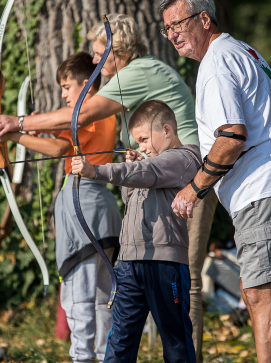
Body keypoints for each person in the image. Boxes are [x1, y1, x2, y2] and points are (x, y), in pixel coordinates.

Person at [0, 13, 215, 361]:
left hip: (189, 173)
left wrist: (16, 123)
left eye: (99, 53)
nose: (94, 61)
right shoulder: (129, 82)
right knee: (137, 290)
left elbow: (79, 116)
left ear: (118, 50)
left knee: (187, 277)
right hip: (161, 176)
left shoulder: (140, 71)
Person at [160, 0, 271, 363]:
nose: (173, 34)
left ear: (205, 19)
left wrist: (192, 190)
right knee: (257, 290)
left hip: (264, 182)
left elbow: (230, 137)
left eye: (179, 23)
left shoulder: (216, 62)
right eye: (167, 29)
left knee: (260, 294)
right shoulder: (239, 49)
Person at [0, 52, 121, 363]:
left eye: (67, 87)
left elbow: (60, 148)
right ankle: (106, 357)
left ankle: (83, 358)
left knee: (80, 296)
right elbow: (68, 139)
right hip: (102, 209)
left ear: (87, 87)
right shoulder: (99, 116)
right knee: (104, 297)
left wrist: (16, 135)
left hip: (83, 206)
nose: (63, 94)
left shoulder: (89, 113)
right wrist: (40, 129)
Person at [72, 100, 200, 363]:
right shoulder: (148, 163)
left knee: (175, 342)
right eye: (137, 142)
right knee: (120, 340)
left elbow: (149, 173)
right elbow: (133, 192)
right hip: (129, 263)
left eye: (143, 139)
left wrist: (95, 170)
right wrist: (131, 168)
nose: (140, 147)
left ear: (166, 130)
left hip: (164, 263)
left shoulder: (184, 157)